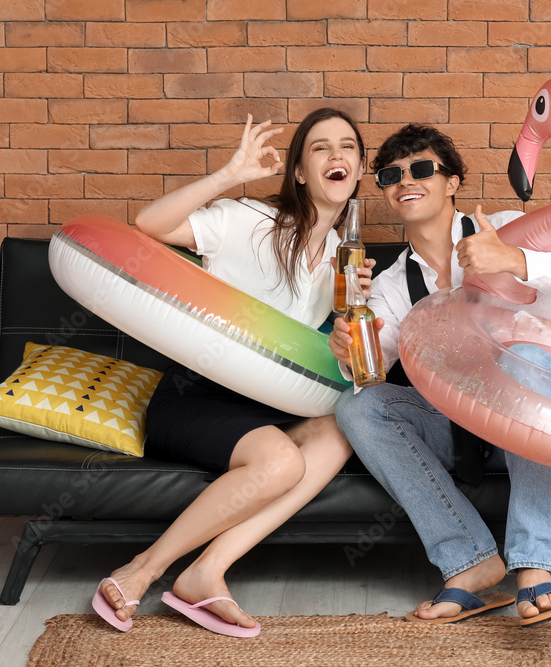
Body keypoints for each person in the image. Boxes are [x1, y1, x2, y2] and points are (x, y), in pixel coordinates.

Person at [93, 109, 371, 637]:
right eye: (320, 148)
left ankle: (206, 571)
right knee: (280, 462)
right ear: (298, 173)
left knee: (340, 430)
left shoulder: (341, 256)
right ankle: (143, 569)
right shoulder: (248, 219)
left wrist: (354, 313)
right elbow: (149, 225)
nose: (337, 155)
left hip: (262, 406)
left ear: (358, 170)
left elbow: (326, 363)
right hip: (195, 396)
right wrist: (229, 175)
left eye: (348, 148)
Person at [329, 124, 551, 627]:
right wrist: (347, 345)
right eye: (391, 174)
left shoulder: (507, 226)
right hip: (460, 428)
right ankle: (471, 561)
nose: (405, 179)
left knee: (532, 359)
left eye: (422, 168)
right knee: (358, 406)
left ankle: (534, 563)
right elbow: (370, 374)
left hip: (539, 414)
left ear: (452, 181)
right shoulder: (390, 284)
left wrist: (513, 260)